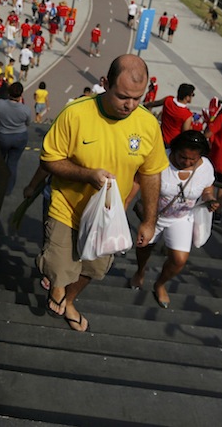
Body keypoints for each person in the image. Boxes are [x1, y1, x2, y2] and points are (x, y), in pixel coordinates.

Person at [36, 55, 169, 332]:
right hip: (67, 209)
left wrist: (149, 220)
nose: (129, 105)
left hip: (109, 218)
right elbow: (49, 159)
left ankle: (70, 300)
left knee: (93, 270)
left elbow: (151, 173)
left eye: (137, 98)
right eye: (122, 96)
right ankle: (55, 279)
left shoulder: (147, 125)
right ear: (105, 83)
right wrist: (87, 174)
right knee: (60, 268)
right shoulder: (76, 113)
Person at [130, 131, 219, 306]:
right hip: (153, 216)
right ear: (174, 150)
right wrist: (125, 202)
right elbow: (138, 180)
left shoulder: (206, 166)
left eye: (192, 160)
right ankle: (140, 271)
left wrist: (209, 199)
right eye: (182, 157)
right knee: (144, 247)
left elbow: (208, 188)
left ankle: (160, 284)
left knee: (179, 260)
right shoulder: (160, 159)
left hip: (181, 217)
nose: (187, 162)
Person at [0, 82, 31, 196]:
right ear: (21, 94)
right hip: (19, 137)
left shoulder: (0, 104)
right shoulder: (25, 109)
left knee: (0, 161)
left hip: (3, 136)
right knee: (12, 164)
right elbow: (28, 123)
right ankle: (8, 189)